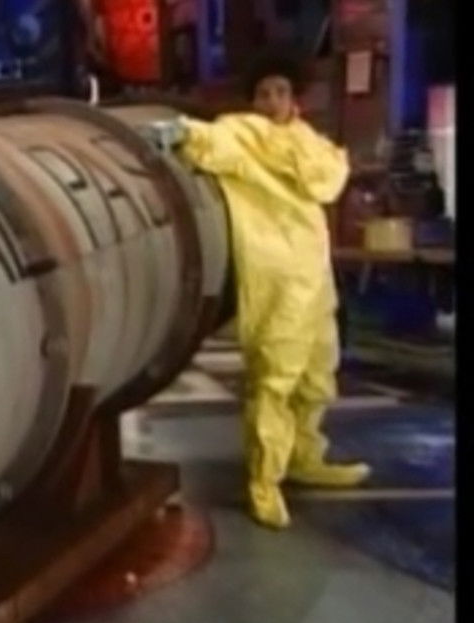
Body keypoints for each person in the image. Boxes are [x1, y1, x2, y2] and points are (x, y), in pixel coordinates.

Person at [155, 53, 371, 529]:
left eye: (280, 92)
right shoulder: (241, 133)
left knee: (316, 377)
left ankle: (304, 458)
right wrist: (181, 132)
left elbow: (330, 177)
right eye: (263, 93)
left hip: (313, 277)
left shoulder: (307, 141)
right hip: (275, 277)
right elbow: (211, 140)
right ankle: (264, 481)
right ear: (253, 100)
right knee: (275, 378)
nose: (272, 101)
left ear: (295, 99)